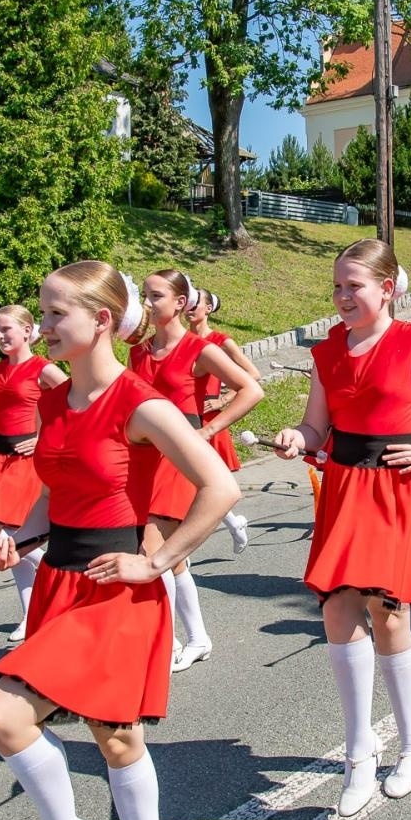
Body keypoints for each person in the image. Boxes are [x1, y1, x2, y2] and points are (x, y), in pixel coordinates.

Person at [0, 261, 240, 820]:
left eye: (55, 313)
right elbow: (55, 491)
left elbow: (220, 488)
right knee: (10, 718)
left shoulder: (141, 403)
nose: (43, 326)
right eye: (41, 312)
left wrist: (156, 561)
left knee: (114, 737)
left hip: (118, 592)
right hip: (59, 581)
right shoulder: (53, 399)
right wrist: (19, 534)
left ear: (100, 320)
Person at [274, 240, 411, 817]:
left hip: (398, 487)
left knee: (388, 612)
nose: (344, 297)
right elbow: (317, 428)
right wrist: (299, 439)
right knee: (336, 610)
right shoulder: (327, 353)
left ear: (387, 287)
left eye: (356, 286)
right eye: (338, 287)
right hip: (346, 487)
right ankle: (358, 754)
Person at [130, 270, 264, 673]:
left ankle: (167, 641)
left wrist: (207, 430)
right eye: (145, 295)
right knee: (171, 558)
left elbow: (252, 388)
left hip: (179, 459)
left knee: (151, 551)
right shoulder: (137, 351)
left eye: (156, 295)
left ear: (179, 302)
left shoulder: (197, 348)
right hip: (143, 459)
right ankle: (197, 639)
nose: (148, 302)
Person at [0, 305, 61, 643]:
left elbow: (69, 405)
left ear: (27, 330)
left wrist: (41, 436)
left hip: (24, 459)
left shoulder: (43, 369)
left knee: (3, 530)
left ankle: (55, 570)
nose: (1, 336)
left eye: (7, 330)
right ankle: (30, 615)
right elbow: (3, 407)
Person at [187, 288, 259, 554]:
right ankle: (233, 522)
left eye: (197, 304)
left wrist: (221, 400)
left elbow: (253, 374)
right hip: (183, 416)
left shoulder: (220, 341)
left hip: (208, 417)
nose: (190, 309)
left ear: (208, 309)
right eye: (189, 304)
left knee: (206, 481)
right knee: (194, 481)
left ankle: (232, 523)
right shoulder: (180, 340)